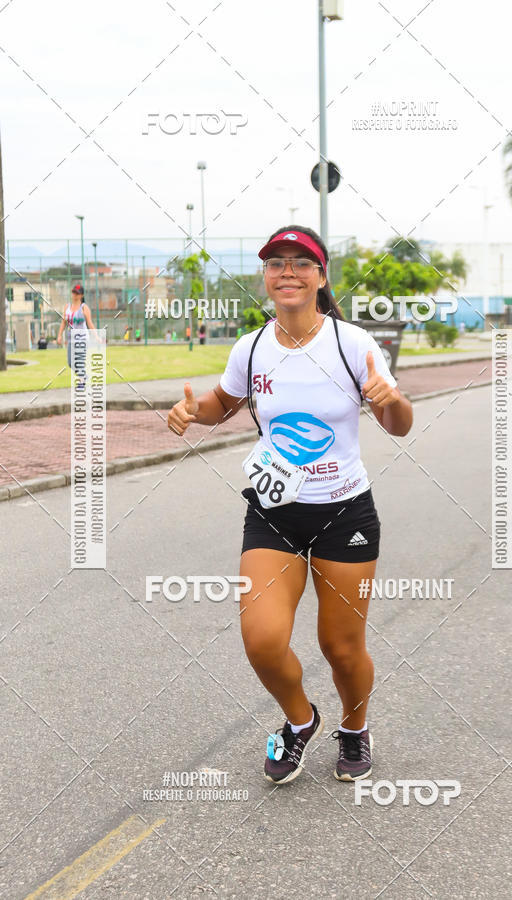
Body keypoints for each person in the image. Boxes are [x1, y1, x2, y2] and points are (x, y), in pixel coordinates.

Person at [168, 226, 413, 785]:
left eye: (301, 263)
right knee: (261, 640)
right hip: (273, 510)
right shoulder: (252, 348)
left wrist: (392, 399)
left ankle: (355, 728)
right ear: (266, 278)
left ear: (321, 277)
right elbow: (222, 402)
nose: (288, 272)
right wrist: (191, 412)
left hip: (344, 512)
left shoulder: (352, 344)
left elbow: (399, 425)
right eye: (276, 263)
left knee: (341, 647)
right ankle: (301, 720)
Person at [56, 284, 97, 388]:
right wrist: (59, 335)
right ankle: (84, 376)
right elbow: (63, 322)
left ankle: (81, 381)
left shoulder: (84, 308)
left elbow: (90, 323)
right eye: (73, 292)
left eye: (77, 293)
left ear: (81, 295)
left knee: (79, 361)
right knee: (71, 363)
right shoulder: (67, 307)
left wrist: (96, 336)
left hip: (82, 338)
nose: (74, 295)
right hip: (72, 339)